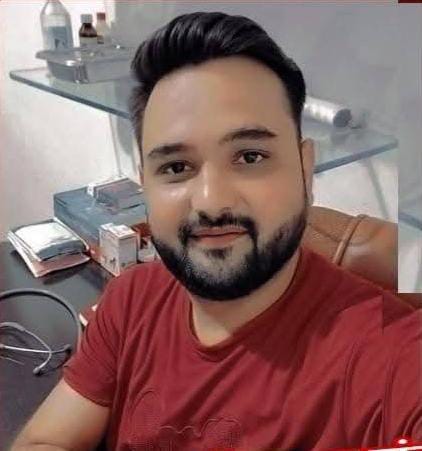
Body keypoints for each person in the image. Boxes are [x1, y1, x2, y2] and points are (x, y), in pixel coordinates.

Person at [11, 11, 421, 451]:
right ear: (146, 184)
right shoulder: (131, 301)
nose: (211, 201)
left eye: (249, 157)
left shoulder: (389, 354)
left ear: (305, 168)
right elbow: (44, 441)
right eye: (176, 167)